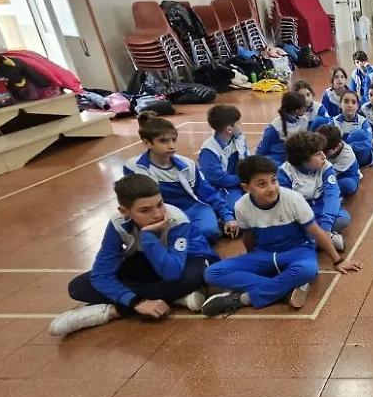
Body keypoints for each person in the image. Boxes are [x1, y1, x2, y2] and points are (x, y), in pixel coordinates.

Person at [48, 174, 217, 336]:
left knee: (191, 278)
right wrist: (137, 302)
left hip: (185, 262)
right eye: (145, 210)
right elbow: (101, 275)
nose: (158, 214)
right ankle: (175, 298)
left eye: (160, 204)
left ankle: (113, 311)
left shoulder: (176, 220)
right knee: (78, 287)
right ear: (124, 211)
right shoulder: (118, 224)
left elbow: (172, 272)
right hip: (148, 263)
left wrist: (148, 237)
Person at [201, 156, 362, 316]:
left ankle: (243, 299)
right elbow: (248, 238)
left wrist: (338, 261)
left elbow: (317, 232)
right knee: (211, 273)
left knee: (307, 270)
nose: (271, 188)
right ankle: (284, 291)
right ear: (246, 187)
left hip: (298, 251)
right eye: (262, 184)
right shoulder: (241, 206)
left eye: (273, 180)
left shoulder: (293, 199)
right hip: (264, 254)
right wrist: (253, 261)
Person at [124, 113, 237, 242]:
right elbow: (132, 202)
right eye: (163, 141)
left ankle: (209, 224)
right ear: (147, 142)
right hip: (161, 213)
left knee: (208, 231)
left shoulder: (188, 165)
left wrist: (228, 217)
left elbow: (208, 193)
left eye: (173, 140)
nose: (171, 145)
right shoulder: (133, 167)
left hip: (193, 208)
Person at [278, 131, 349, 251]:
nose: (324, 156)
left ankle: (313, 240)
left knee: (343, 219)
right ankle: (325, 240)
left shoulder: (326, 167)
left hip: (320, 209)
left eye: (322, 151)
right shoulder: (285, 173)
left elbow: (332, 195)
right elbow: (285, 207)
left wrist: (326, 226)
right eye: (318, 154)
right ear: (303, 160)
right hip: (298, 215)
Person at [198, 104, 248, 206]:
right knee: (238, 205)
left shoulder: (239, 138)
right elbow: (218, 179)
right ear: (229, 129)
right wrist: (244, 179)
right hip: (220, 188)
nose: (241, 124)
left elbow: (246, 159)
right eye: (238, 123)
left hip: (236, 181)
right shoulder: (209, 150)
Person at [322, 90, 373, 167]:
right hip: (341, 157)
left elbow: (369, 143)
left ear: (358, 106)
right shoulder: (334, 122)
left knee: (358, 133)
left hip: (360, 157)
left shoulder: (363, 122)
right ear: (340, 104)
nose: (350, 105)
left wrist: (346, 146)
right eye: (346, 101)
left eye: (353, 102)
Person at [257, 91, 312, 166]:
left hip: (295, 156)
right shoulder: (274, 127)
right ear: (297, 110)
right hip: (277, 159)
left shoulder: (305, 120)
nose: (306, 108)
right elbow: (262, 150)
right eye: (304, 107)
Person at [318, 125, 361, 197]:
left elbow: (330, 174)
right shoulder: (327, 146)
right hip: (324, 172)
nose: (322, 154)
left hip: (343, 176)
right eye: (319, 150)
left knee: (349, 185)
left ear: (337, 146)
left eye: (325, 151)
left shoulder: (347, 155)